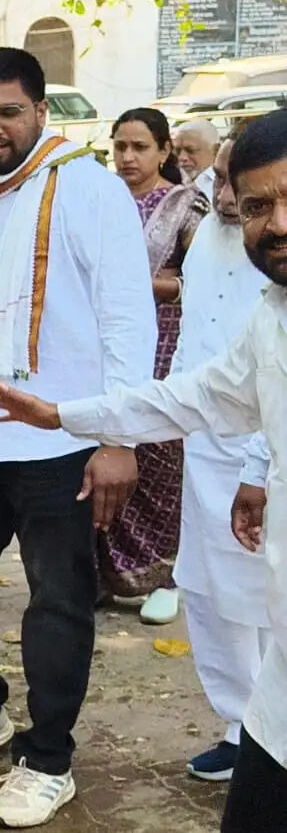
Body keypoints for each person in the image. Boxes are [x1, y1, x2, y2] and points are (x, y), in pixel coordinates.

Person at [0, 107, 287, 832]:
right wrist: (64, 415)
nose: (274, 224)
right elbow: (192, 395)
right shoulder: (273, 314)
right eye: (259, 204)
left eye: (286, 198)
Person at [0, 47, 154, 828]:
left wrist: (118, 436)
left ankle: (47, 756)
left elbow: (126, 318)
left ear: (41, 111)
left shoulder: (88, 187)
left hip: (61, 435)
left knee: (56, 598)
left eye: (7, 112)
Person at [149, 137, 273, 782]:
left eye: (235, 183)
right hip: (203, 446)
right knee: (207, 590)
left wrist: (258, 463)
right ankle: (239, 727)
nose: (225, 198)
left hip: (267, 458)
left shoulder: (273, 246)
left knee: (266, 597)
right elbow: (196, 340)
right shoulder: (210, 238)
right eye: (219, 181)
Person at [105, 107, 210, 624]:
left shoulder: (185, 207)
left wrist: (144, 285)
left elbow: (207, 283)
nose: (127, 157)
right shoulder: (98, 202)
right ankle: (107, 576)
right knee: (101, 449)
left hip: (167, 343)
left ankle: (166, 574)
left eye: (139, 147)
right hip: (104, 343)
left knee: (160, 456)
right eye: (119, 147)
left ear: (165, 151)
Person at [174, 118, 221, 195]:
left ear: (215, 150)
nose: (182, 157)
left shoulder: (226, 184)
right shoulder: (168, 182)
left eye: (191, 150)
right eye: (177, 151)